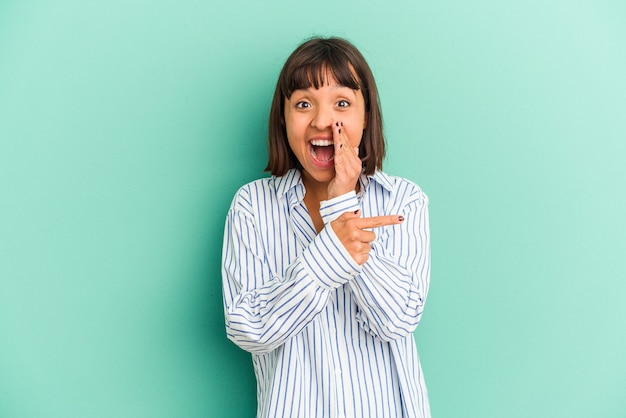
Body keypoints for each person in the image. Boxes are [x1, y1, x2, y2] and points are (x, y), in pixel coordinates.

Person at [222, 36, 431, 418]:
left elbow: (398, 319)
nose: (322, 121)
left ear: (365, 116)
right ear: (282, 118)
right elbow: (248, 328)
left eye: (342, 103)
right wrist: (332, 253)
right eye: (303, 104)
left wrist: (341, 204)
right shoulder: (252, 206)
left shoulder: (402, 200)